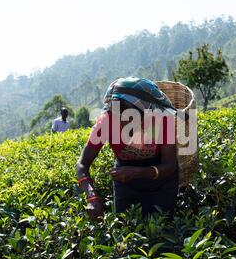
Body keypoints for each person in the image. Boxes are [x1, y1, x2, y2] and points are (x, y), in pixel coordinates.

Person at [76, 77, 179, 221]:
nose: (125, 124)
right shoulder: (106, 121)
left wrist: (137, 173)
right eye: (120, 117)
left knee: (162, 228)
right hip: (125, 181)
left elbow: (170, 165)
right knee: (126, 228)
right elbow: (82, 164)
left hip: (160, 180)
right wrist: (92, 196)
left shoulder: (162, 120)